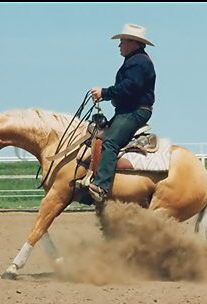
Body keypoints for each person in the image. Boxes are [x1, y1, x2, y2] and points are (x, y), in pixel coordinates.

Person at [89, 23, 156, 202]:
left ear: (133, 43)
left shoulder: (139, 62)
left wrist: (105, 93)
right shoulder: (136, 61)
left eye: (122, 41)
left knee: (110, 142)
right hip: (128, 111)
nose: (119, 45)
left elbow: (129, 87)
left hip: (135, 111)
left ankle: (101, 186)